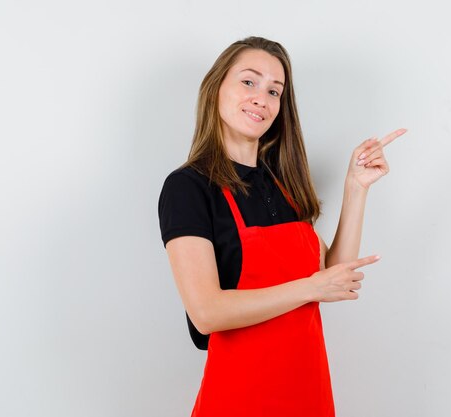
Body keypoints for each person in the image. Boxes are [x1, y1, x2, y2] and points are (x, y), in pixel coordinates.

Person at [158, 36, 406, 417]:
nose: (262, 97)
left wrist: (355, 188)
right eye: (249, 82)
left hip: (308, 393)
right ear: (215, 87)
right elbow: (206, 312)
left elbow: (331, 274)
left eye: (275, 91)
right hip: (240, 400)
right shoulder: (188, 187)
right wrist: (310, 287)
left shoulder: (282, 186)